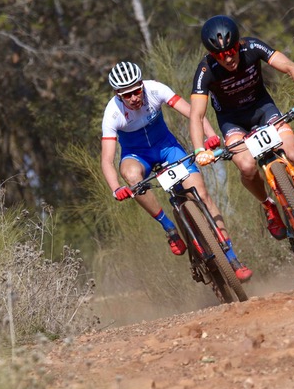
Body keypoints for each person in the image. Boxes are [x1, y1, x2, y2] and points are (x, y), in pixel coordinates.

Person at [189, 15, 294, 244]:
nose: (228, 58)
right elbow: (196, 115)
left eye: (231, 51)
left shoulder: (252, 47)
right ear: (213, 56)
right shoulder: (206, 70)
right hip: (233, 122)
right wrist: (198, 150)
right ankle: (268, 206)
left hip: (263, 109)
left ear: (238, 44)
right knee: (246, 166)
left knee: (293, 154)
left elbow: (291, 67)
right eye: (220, 55)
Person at [101, 61, 252, 280]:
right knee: (132, 177)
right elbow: (107, 160)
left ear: (142, 84)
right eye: (127, 95)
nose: (133, 98)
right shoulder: (112, 113)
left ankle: (233, 258)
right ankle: (170, 228)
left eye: (136, 91)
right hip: (137, 155)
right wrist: (116, 188)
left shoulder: (155, 90)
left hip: (168, 149)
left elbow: (193, 113)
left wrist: (210, 135)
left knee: (202, 195)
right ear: (118, 95)